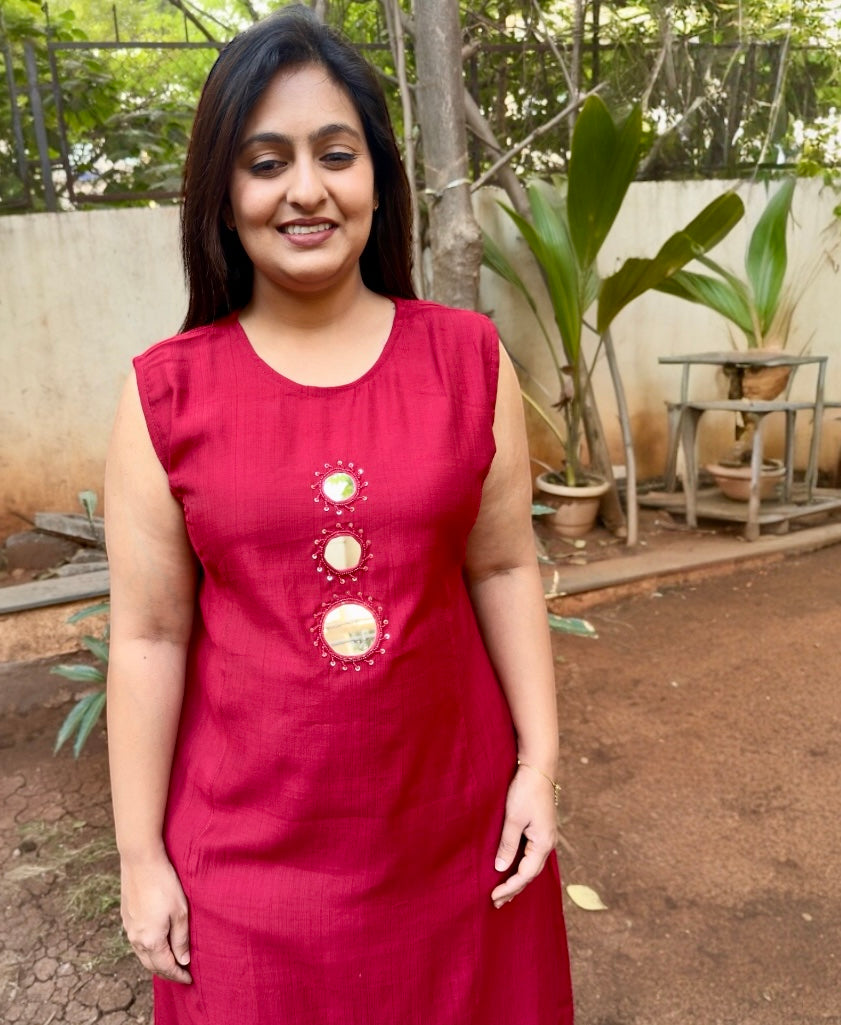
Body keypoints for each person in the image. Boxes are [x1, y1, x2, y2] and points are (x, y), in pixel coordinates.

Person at [103, 6, 573, 1023]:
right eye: (265, 162)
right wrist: (141, 855)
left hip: (458, 845)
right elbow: (148, 634)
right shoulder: (165, 394)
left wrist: (537, 766)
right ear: (222, 192)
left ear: (377, 178)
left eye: (335, 153)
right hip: (246, 872)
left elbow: (502, 566)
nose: (305, 189)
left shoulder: (466, 359)